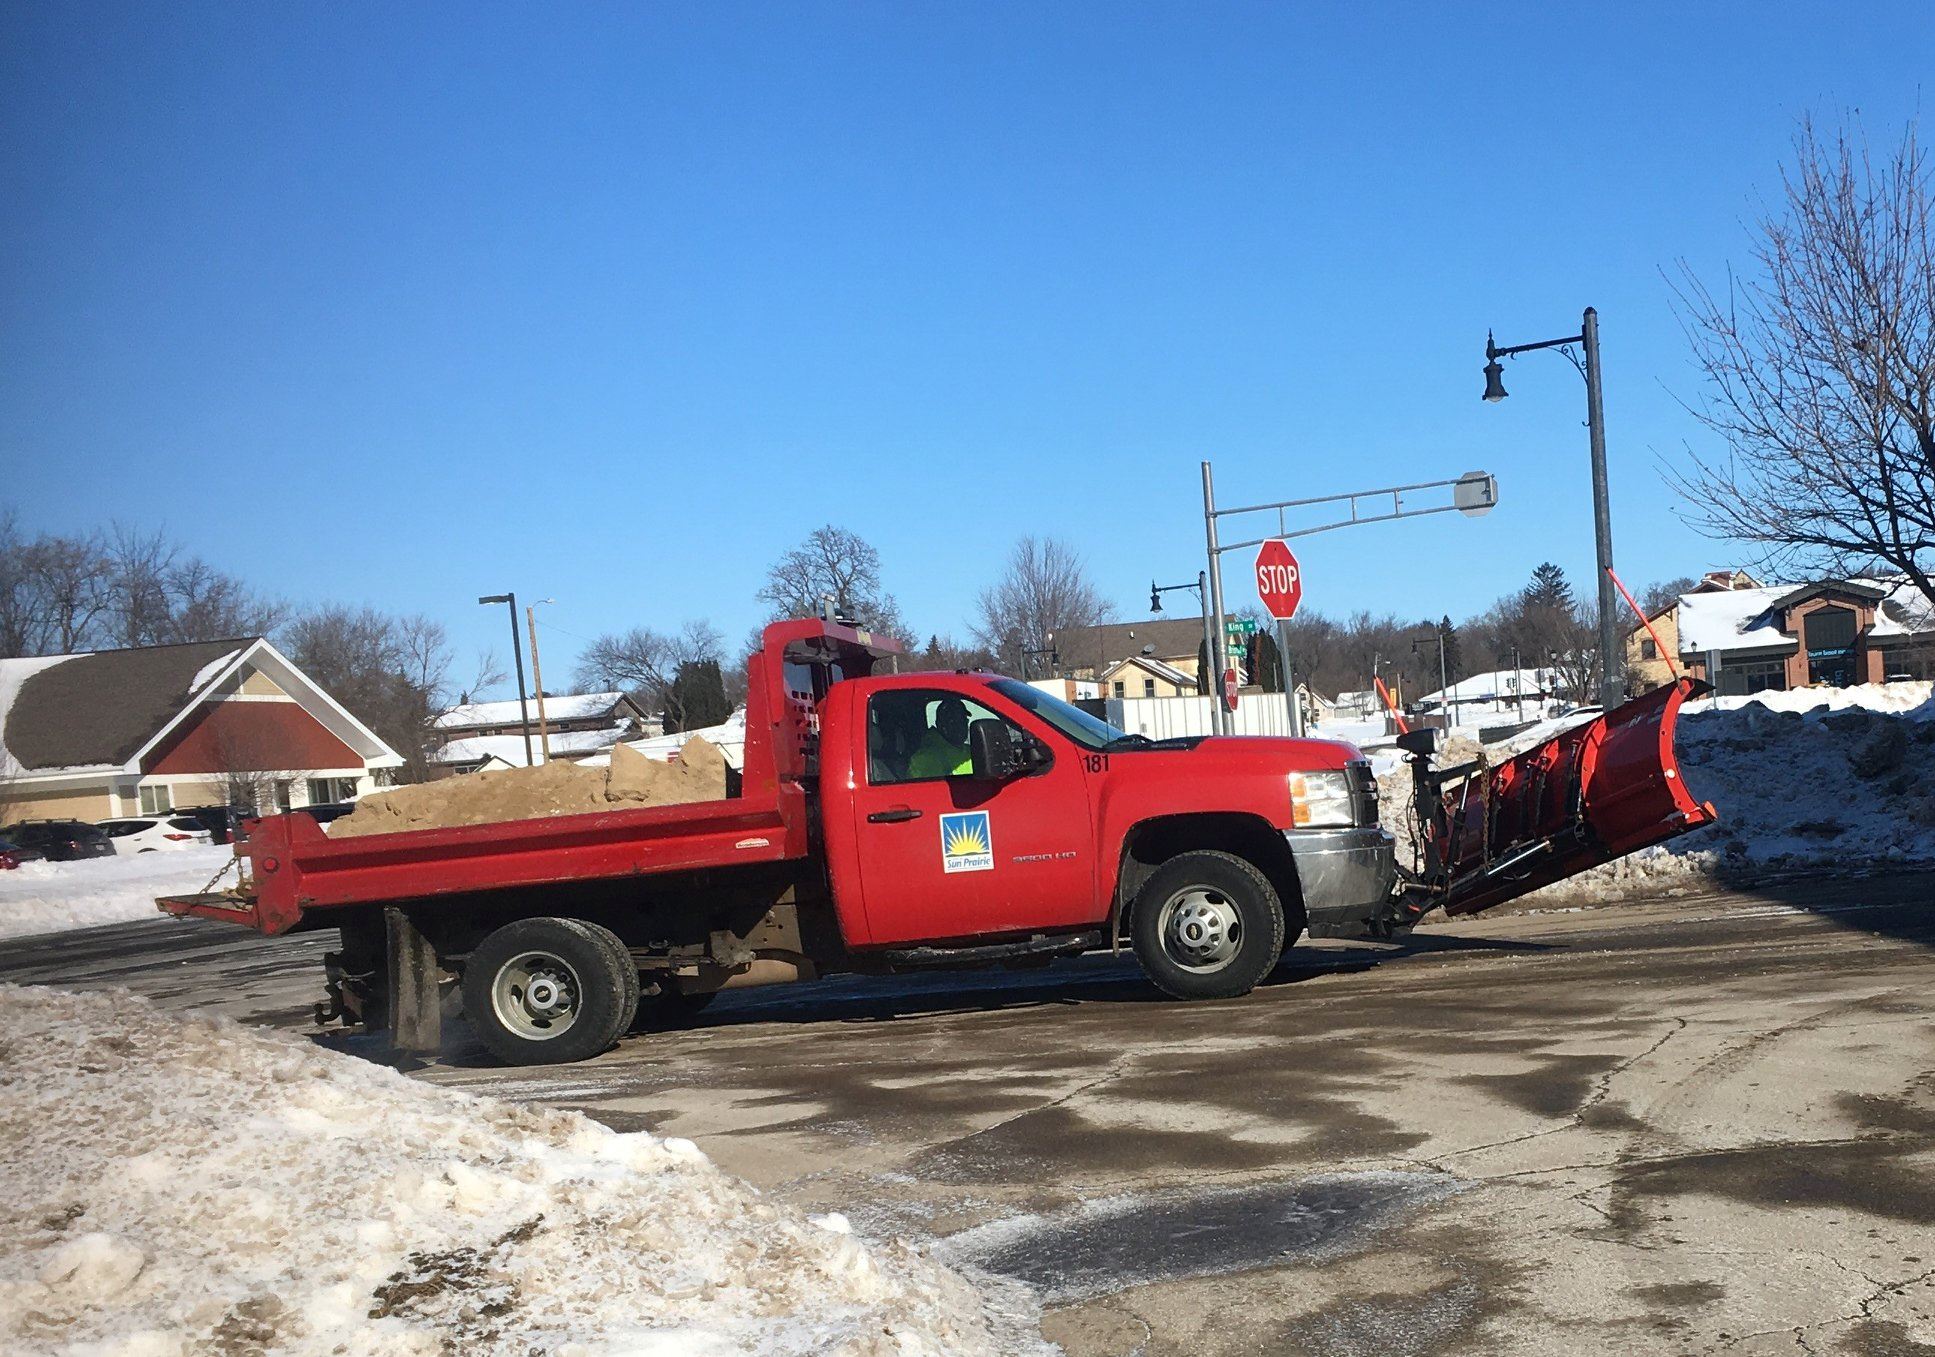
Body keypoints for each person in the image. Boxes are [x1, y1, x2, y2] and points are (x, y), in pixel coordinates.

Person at [907, 697, 974, 778]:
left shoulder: (971, 751)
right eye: (953, 721)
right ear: (940, 724)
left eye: (963, 720)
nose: (961, 726)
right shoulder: (926, 758)